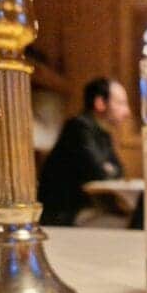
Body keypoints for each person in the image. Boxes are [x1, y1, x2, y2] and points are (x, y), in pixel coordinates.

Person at [38, 77, 131, 226]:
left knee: (134, 219)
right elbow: (99, 173)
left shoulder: (103, 133)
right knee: (133, 224)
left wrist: (108, 169)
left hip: (84, 211)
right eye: (120, 103)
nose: (127, 111)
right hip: (62, 217)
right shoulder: (78, 128)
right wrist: (107, 169)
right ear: (100, 103)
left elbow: (119, 172)